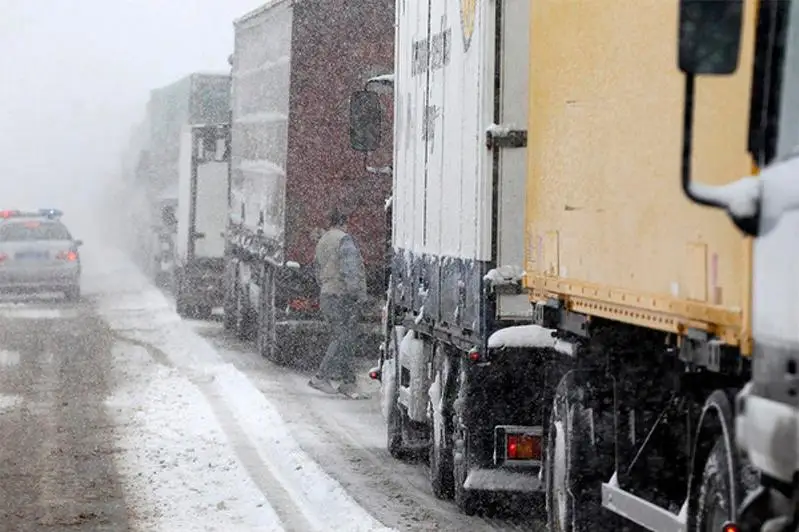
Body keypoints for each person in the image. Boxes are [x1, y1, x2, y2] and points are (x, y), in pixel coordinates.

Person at [308, 209, 368, 396]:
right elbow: (350, 270)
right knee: (342, 337)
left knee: (345, 338)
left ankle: (348, 382)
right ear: (344, 223)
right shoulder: (344, 240)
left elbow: (317, 269)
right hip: (341, 296)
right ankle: (320, 377)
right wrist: (357, 294)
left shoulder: (323, 241)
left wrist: (327, 285)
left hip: (327, 294)